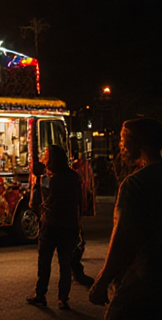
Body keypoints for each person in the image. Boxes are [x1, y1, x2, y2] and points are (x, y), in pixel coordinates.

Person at [89, 117, 162, 319]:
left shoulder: (135, 184)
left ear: (137, 143)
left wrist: (103, 280)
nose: (121, 146)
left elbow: (122, 239)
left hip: (142, 279)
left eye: (123, 140)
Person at [27, 145, 82, 310]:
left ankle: (40, 294)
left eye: (45, 155)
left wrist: (35, 182)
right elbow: (79, 201)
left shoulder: (46, 179)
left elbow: (33, 203)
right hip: (69, 225)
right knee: (65, 263)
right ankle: (63, 298)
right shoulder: (73, 177)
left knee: (44, 262)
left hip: (50, 225)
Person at [70, 150, 97, 288]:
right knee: (76, 243)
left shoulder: (72, 173)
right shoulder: (71, 174)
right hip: (67, 216)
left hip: (64, 215)